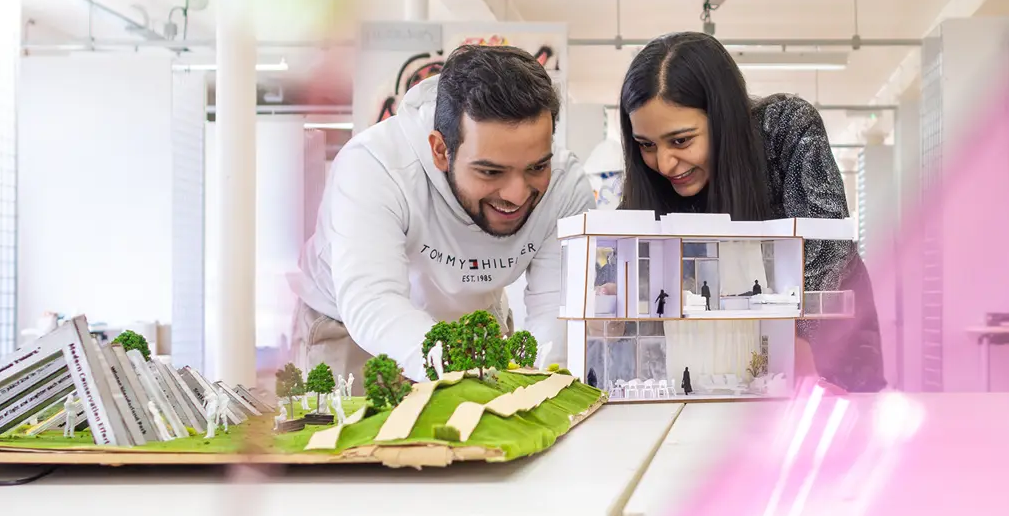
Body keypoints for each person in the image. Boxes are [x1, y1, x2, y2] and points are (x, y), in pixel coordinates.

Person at [296, 45, 592, 385]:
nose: (517, 194)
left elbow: (556, 309)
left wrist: (542, 387)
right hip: (353, 326)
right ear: (440, 150)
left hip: (474, 317)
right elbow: (373, 300)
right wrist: (456, 370)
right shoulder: (373, 165)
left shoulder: (565, 183)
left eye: (536, 167)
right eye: (490, 172)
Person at [616, 32, 886, 392]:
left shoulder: (786, 129)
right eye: (647, 145)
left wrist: (797, 341)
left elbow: (824, 248)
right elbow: (619, 259)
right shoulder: (651, 182)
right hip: (718, 376)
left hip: (828, 360)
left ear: (723, 118)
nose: (664, 164)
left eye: (681, 140)